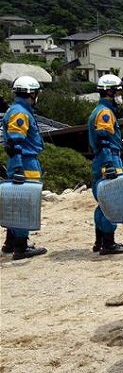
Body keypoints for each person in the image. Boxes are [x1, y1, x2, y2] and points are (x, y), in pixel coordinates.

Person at [1, 76, 47, 260]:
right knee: (25, 205)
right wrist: (19, 167)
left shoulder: (17, 110)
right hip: (26, 163)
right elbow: (16, 142)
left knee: (16, 202)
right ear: (32, 93)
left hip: (20, 162)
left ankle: (11, 242)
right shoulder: (21, 113)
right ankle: (21, 246)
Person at [86, 74, 123, 255]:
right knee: (111, 203)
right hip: (109, 159)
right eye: (119, 90)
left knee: (103, 204)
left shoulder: (101, 110)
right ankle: (108, 244)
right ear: (110, 91)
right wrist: (109, 165)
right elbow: (104, 140)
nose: (121, 94)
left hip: (102, 160)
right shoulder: (105, 113)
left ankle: (100, 241)